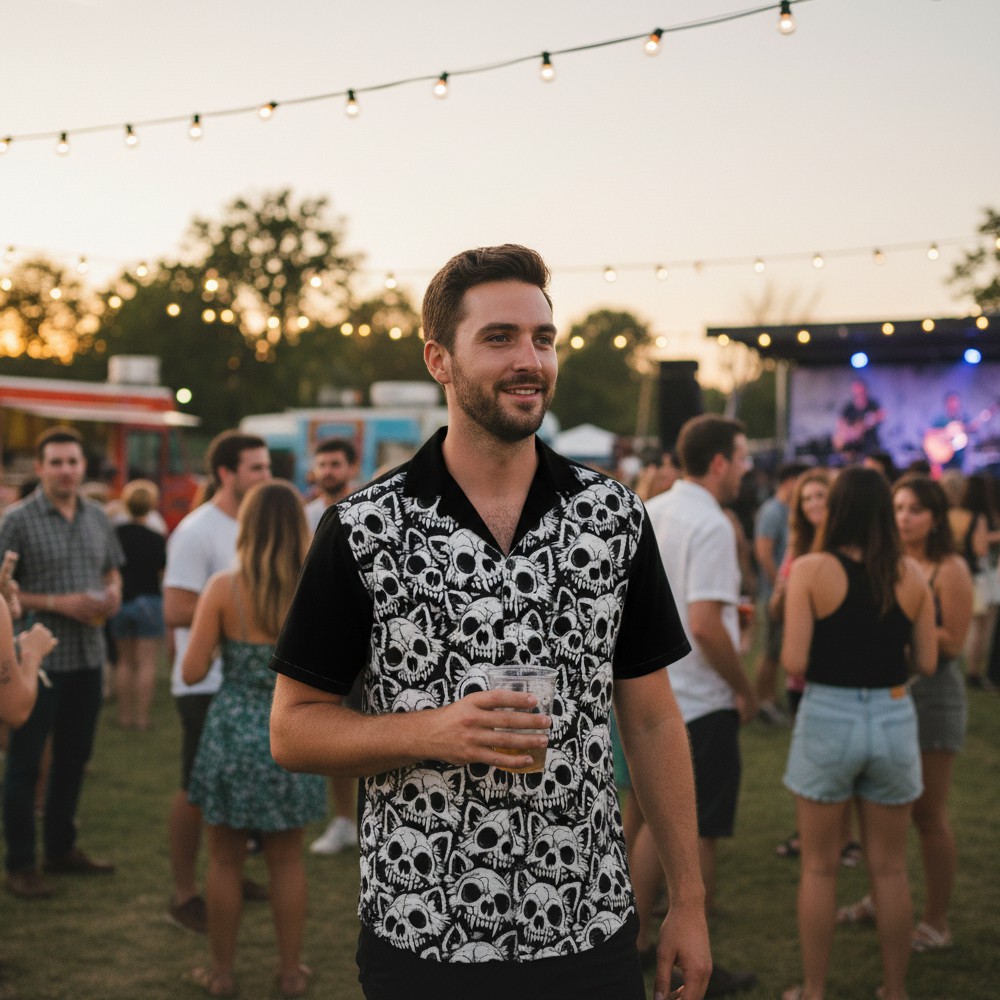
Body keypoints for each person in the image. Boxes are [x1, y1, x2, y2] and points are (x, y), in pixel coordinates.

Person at [270, 244, 712, 1000]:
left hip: (588, 926)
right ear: (439, 359)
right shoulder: (366, 528)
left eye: (543, 338)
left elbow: (650, 719)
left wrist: (689, 901)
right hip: (424, 931)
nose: (529, 361)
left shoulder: (612, 518)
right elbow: (293, 729)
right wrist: (431, 731)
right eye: (499, 338)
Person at [779, 466, 936, 1000]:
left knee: (819, 867)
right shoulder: (911, 573)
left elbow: (793, 660)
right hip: (893, 714)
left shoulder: (810, 568)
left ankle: (814, 990)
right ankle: (895, 989)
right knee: (889, 869)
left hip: (829, 712)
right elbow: (928, 661)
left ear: (837, 510)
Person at [183, 481, 325, 998]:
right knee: (287, 860)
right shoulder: (316, 591)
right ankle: (290, 973)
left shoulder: (224, 588)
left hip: (231, 734)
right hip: (293, 730)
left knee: (224, 860)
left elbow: (192, 671)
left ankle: (221, 973)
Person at [644, 415, 757, 998]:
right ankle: (694, 961)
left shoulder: (652, 508)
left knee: (647, 820)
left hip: (650, 691)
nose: (746, 469)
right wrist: (745, 688)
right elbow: (708, 625)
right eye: (742, 458)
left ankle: (635, 939)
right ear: (719, 462)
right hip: (699, 697)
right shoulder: (711, 523)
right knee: (697, 833)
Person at [837, 476, 973, 952]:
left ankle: (936, 920)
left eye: (915, 509)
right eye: (897, 507)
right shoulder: (887, 563)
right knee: (878, 809)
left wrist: (901, 629)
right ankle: (880, 898)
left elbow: (955, 641)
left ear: (935, 518)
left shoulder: (950, 568)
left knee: (928, 815)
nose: (904, 517)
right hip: (887, 696)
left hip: (933, 698)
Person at [0, 426, 124, 899]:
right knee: (26, 764)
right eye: (56, 462)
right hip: (36, 662)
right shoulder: (16, 521)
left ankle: (60, 848)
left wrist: (113, 592)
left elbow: (111, 568)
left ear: (83, 467)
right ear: (40, 468)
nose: (66, 470)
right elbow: (2, 591)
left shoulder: (97, 516)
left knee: (74, 758)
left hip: (88, 656)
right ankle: (20, 864)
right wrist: (57, 602)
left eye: (72, 461)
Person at [163, 431, 271, 933]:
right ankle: (185, 893)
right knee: (194, 790)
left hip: (245, 685)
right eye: (256, 468)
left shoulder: (256, 525)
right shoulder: (196, 531)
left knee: (236, 791)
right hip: (203, 684)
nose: (266, 476)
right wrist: (232, 614)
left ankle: (229, 873)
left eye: (267, 467)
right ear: (226, 474)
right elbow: (174, 608)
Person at [302, 438, 363, 857]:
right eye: (322, 464)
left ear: (351, 468)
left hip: (368, 637)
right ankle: (344, 820)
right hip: (323, 635)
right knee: (336, 729)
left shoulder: (367, 510)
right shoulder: (305, 515)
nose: (327, 471)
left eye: (335, 464)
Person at [752, 462, 808, 724]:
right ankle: (763, 702)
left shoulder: (788, 510)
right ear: (789, 482)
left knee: (776, 650)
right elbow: (763, 552)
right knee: (770, 652)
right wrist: (780, 586)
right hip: (773, 595)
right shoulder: (772, 511)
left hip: (783, 594)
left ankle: (770, 699)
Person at [109, 480, 166, 732]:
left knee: (124, 661)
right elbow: (162, 571)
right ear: (151, 505)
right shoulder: (156, 537)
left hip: (121, 600)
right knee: (146, 663)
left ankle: (124, 717)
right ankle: (142, 719)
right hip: (149, 601)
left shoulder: (116, 534)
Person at [833, 379, 884, 458]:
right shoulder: (849, 407)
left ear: (865, 390)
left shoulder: (872, 405)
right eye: (856, 391)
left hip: (870, 444)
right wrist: (849, 432)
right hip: (853, 447)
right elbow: (841, 424)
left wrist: (863, 426)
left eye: (861, 391)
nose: (859, 394)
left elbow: (880, 416)